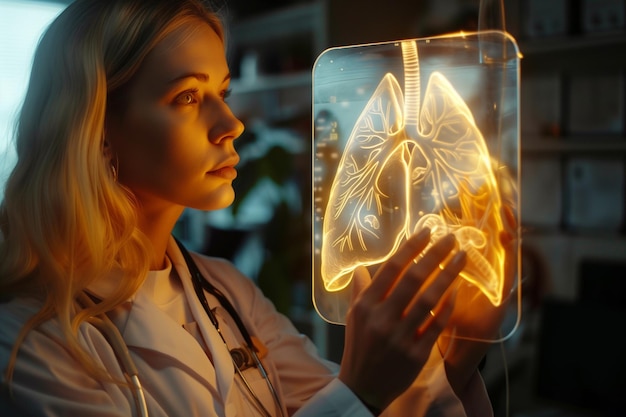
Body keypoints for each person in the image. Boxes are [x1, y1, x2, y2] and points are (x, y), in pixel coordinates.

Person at [0, 0, 515, 415]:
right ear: (99, 128)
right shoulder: (29, 341)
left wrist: (453, 356)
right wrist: (360, 390)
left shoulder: (228, 294)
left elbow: (354, 405)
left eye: (222, 91)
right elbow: (354, 401)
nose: (231, 122)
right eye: (186, 96)